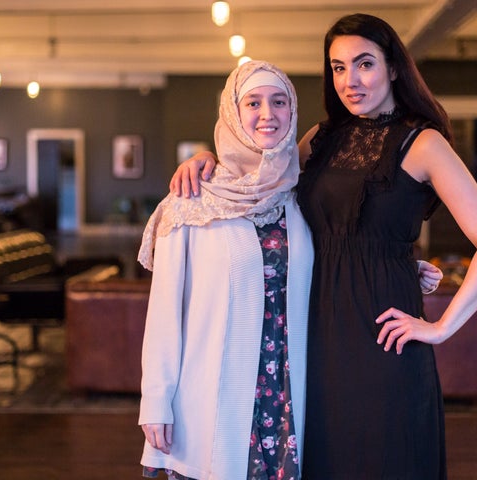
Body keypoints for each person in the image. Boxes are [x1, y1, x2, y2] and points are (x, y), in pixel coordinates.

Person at [169, 13, 477, 480]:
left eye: (364, 64)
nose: (350, 80)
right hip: (313, 333)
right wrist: (204, 159)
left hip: (381, 339)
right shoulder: (322, 137)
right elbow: (254, 168)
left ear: (393, 68)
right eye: (338, 67)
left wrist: (441, 327)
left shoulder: (423, 143)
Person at [137, 60, 314, 480]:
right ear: (233, 113)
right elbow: (165, 314)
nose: (267, 114)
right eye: (253, 102)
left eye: (279, 101)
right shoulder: (191, 199)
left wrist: (403, 269)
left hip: (289, 400)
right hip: (211, 397)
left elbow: (342, 262)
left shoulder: (304, 197)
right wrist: (155, 402)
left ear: (293, 113)